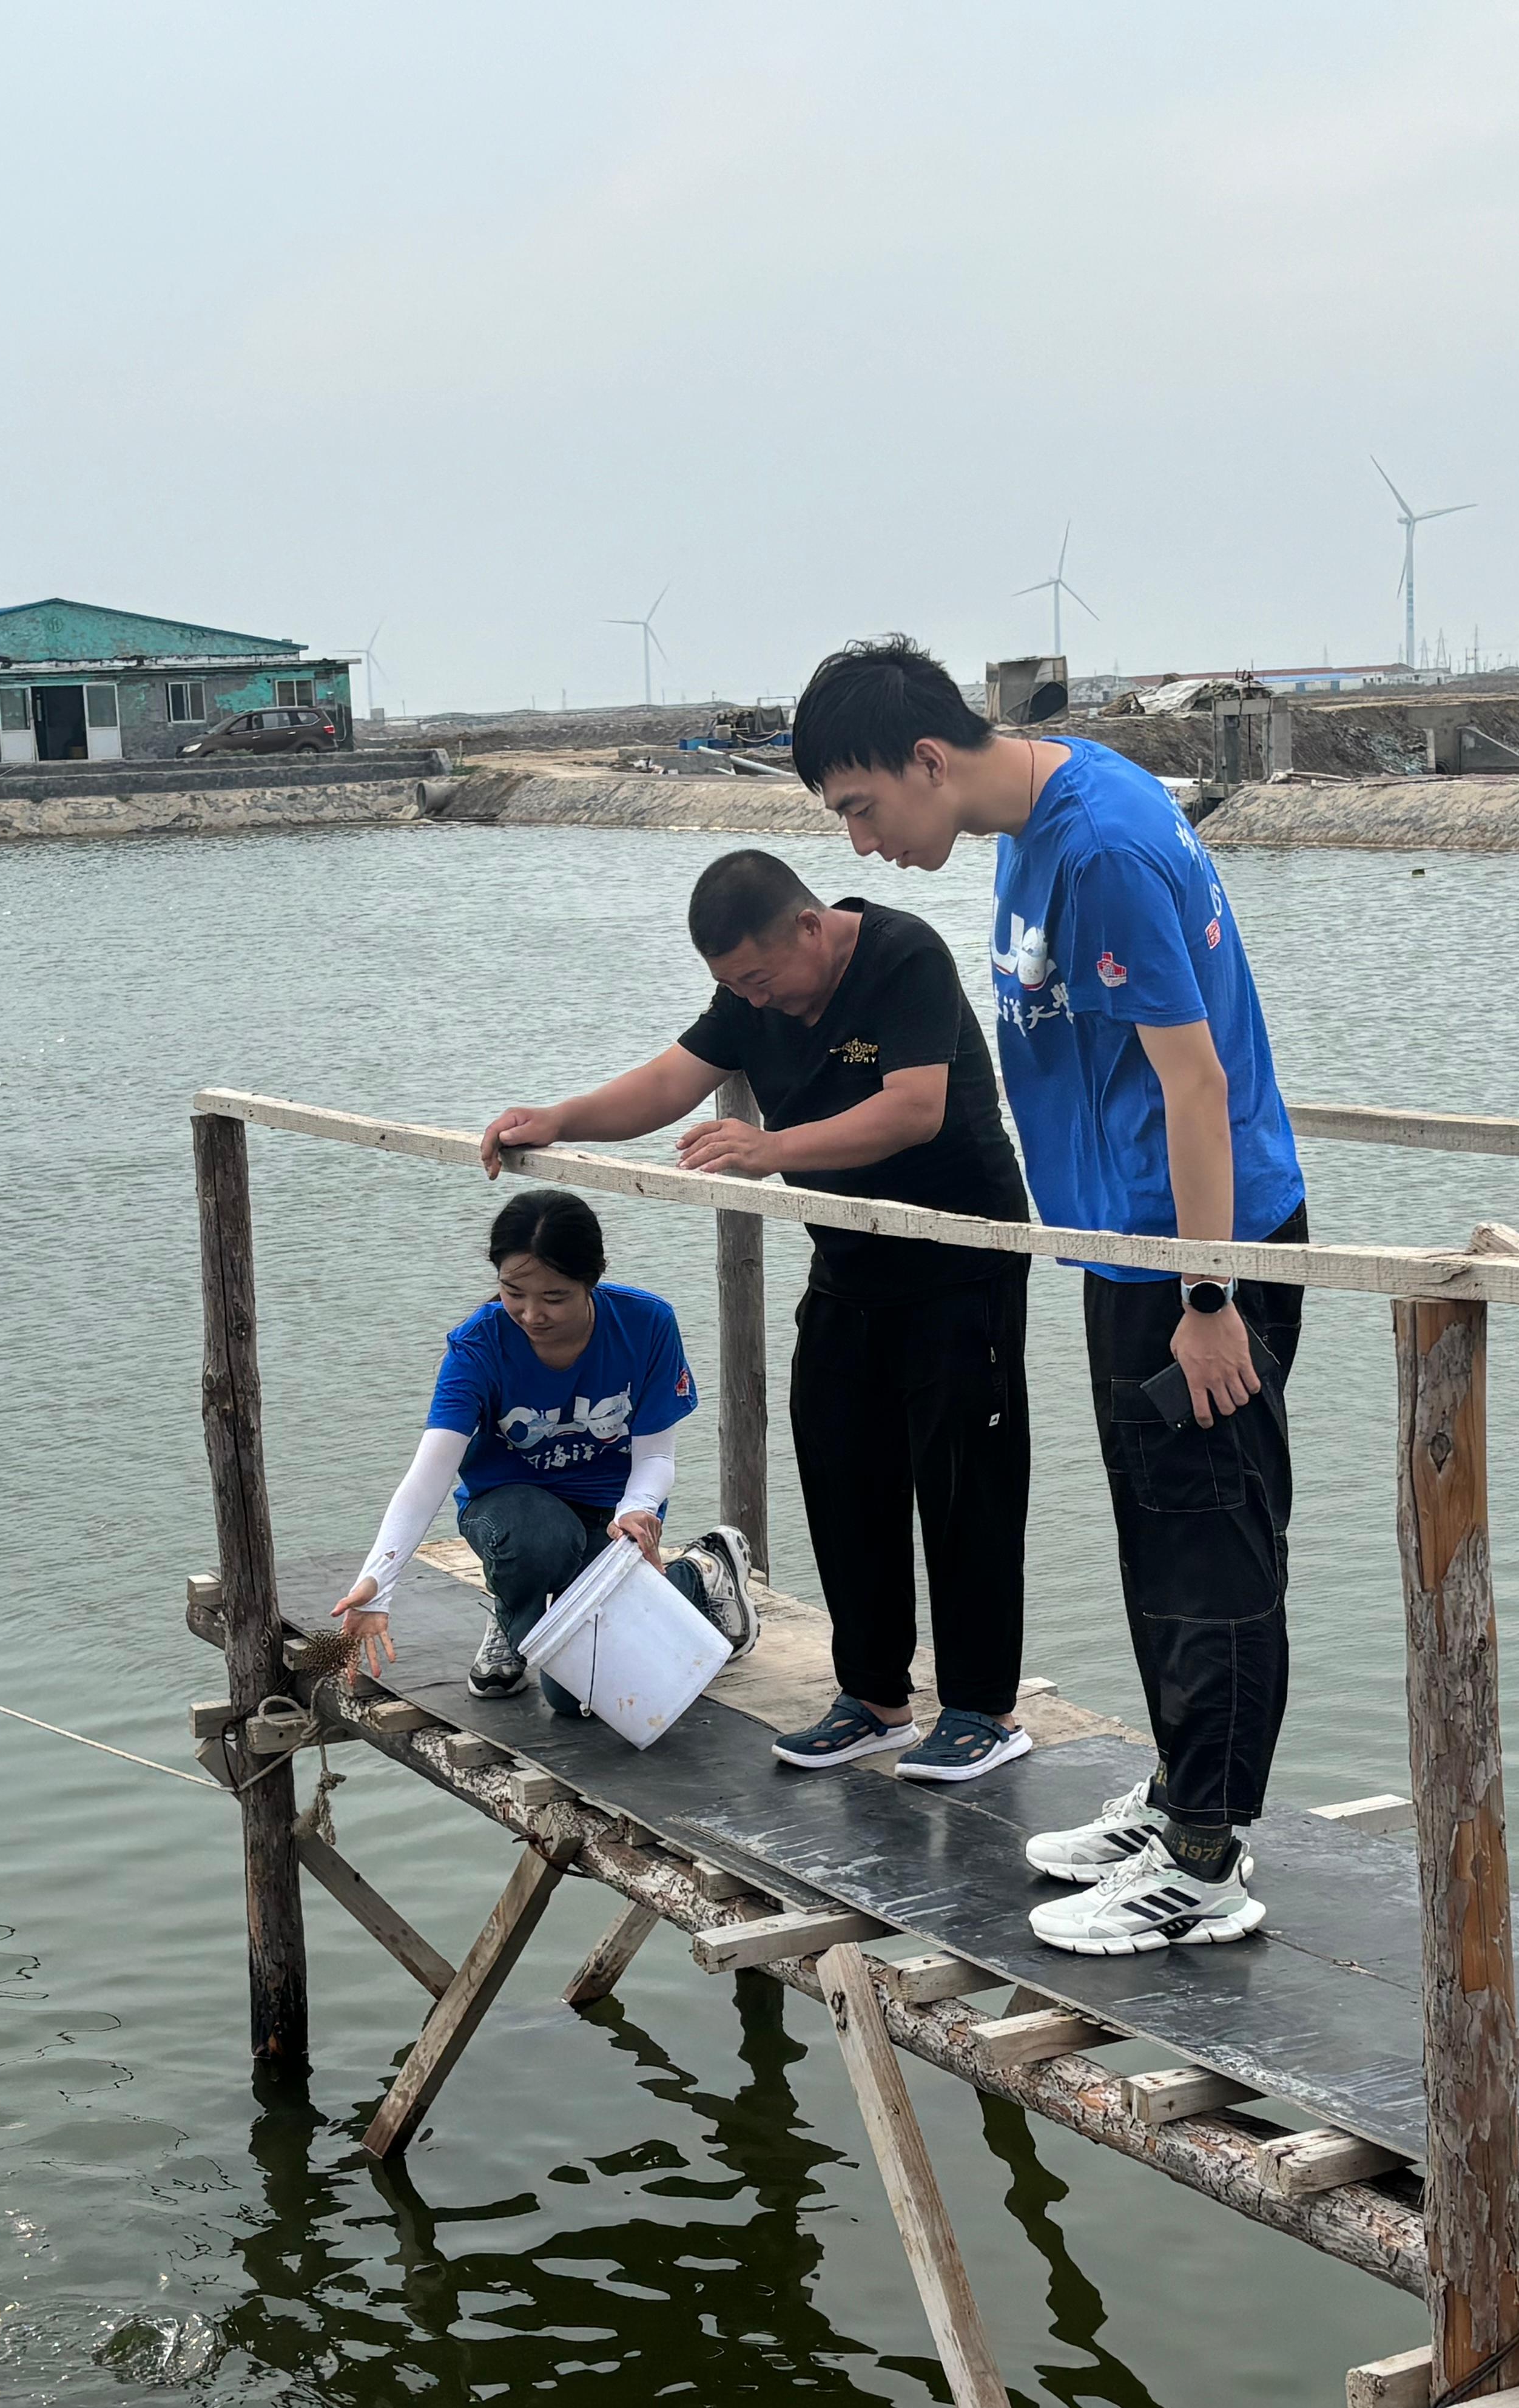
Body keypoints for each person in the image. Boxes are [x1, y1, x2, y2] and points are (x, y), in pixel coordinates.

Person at [791, 638, 1308, 1957]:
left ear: (925, 759)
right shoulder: (1029, 821)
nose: (859, 845)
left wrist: (1210, 1292)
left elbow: (1196, 1086)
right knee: (1156, 1536)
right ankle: (1186, 1797)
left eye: (859, 808)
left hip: (1199, 1254)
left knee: (1210, 1547)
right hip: (1125, 1245)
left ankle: (1207, 1859)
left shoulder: (1100, 850)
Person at [477, 848, 1039, 1783]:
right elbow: (669, 1081)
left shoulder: (905, 956)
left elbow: (914, 1110)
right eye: (736, 988)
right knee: (838, 1463)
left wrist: (770, 1148)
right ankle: (875, 1700)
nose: (758, 1002)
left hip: (961, 1258)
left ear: (810, 929)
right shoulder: (751, 995)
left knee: (961, 1485)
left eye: (761, 980)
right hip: (849, 1260)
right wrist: (559, 1118)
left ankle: (985, 1709)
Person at [329, 1187, 758, 1711]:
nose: (532, 1315)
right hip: (514, 1510)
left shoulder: (647, 1325)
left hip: (612, 1512)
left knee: (570, 1699)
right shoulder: (478, 1347)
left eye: (555, 1297)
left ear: (591, 1280)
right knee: (538, 1537)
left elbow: (656, 1458)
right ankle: (514, 1617)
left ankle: (703, 1573)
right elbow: (430, 1475)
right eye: (514, 1292)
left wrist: (637, 1511)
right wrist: (379, 1584)